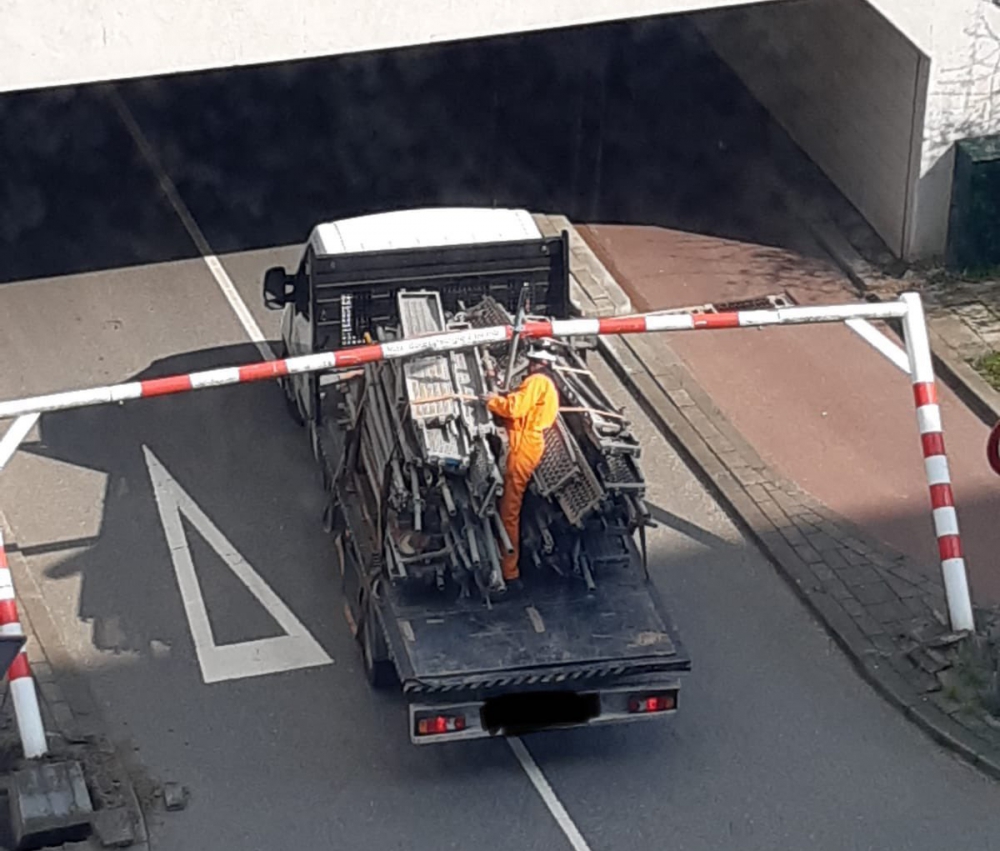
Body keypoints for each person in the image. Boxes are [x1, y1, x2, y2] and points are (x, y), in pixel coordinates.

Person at [483, 346, 560, 589]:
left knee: (509, 510)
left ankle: (509, 569)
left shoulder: (538, 381)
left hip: (523, 445)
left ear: (538, 363)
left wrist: (493, 402)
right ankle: (509, 565)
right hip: (526, 443)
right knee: (510, 506)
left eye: (531, 361)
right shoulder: (546, 384)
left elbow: (515, 409)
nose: (528, 366)